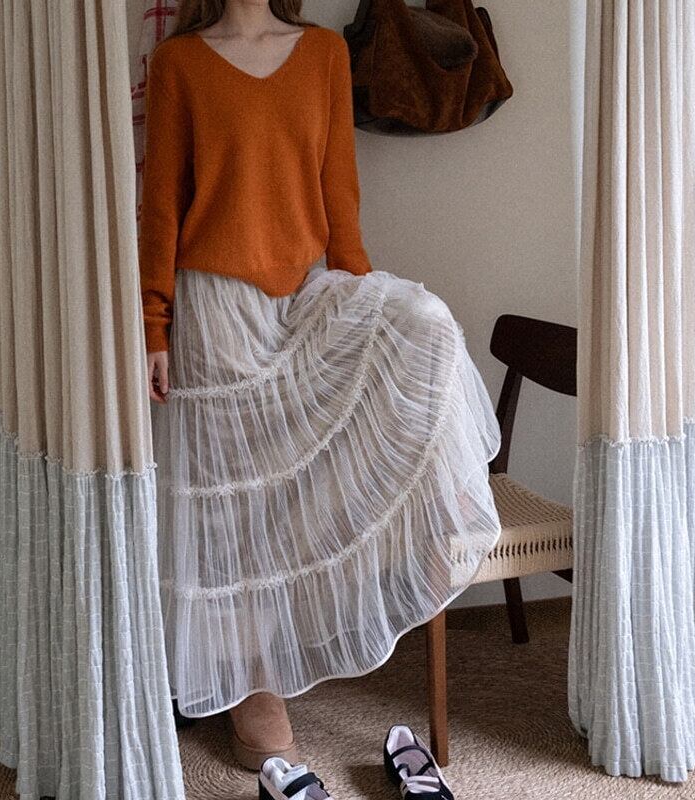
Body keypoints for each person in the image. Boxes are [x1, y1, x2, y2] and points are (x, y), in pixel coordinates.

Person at [139, 0, 502, 771]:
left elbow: (340, 194)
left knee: (424, 324)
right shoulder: (181, 62)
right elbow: (162, 200)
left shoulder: (324, 55)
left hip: (303, 292)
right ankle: (251, 681)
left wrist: (358, 304)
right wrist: (153, 325)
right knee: (236, 507)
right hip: (215, 308)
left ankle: (424, 526)